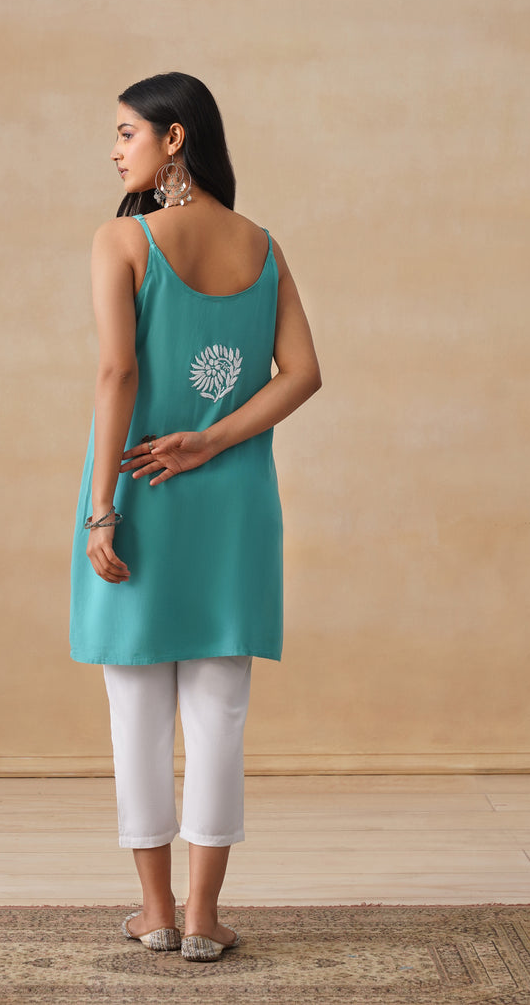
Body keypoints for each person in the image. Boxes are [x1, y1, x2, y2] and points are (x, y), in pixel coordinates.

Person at [70, 72, 321, 962]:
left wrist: (102, 512)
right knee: (221, 715)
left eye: (126, 132)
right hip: (235, 509)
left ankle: (157, 911)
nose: (115, 149)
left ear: (174, 137)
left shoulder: (123, 240)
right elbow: (303, 374)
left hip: (139, 492)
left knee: (135, 713)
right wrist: (212, 442)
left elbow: (118, 373)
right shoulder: (263, 247)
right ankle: (206, 917)